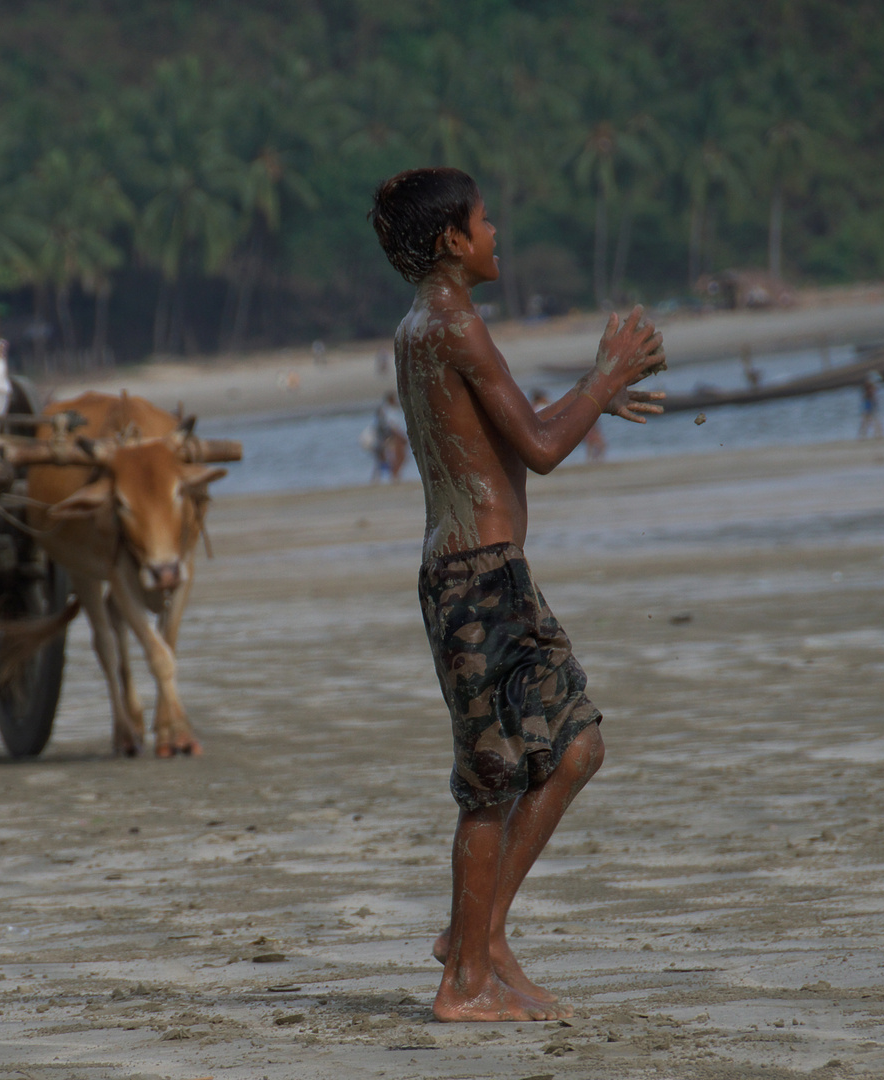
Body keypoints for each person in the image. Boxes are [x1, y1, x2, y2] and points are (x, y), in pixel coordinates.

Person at [369, 167, 666, 1022]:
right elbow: (537, 447)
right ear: (452, 243)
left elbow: (492, 430)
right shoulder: (454, 321)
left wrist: (589, 399)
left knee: (575, 750)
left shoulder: (425, 321)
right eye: (485, 220)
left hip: (484, 575)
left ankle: (479, 938)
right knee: (494, 781)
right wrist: (603, 378)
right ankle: (463, 981)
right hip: (476, 581)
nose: (496, 232)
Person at [369, 391, 409, 482]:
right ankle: (394, 476)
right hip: (392, 437)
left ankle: (388, 477)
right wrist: (401, 436)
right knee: (398, 457)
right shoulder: (388, 410)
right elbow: (391, 426)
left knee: (387, 458)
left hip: (387, 436)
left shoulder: (385, 410)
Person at [859, 374, 884, 439]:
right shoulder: (868, 388)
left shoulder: (868, 388)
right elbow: (872, 395)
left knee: (870, 421)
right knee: (868, 421)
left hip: (870, 404)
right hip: (869, 404)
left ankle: (877, 434)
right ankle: (876, 434)